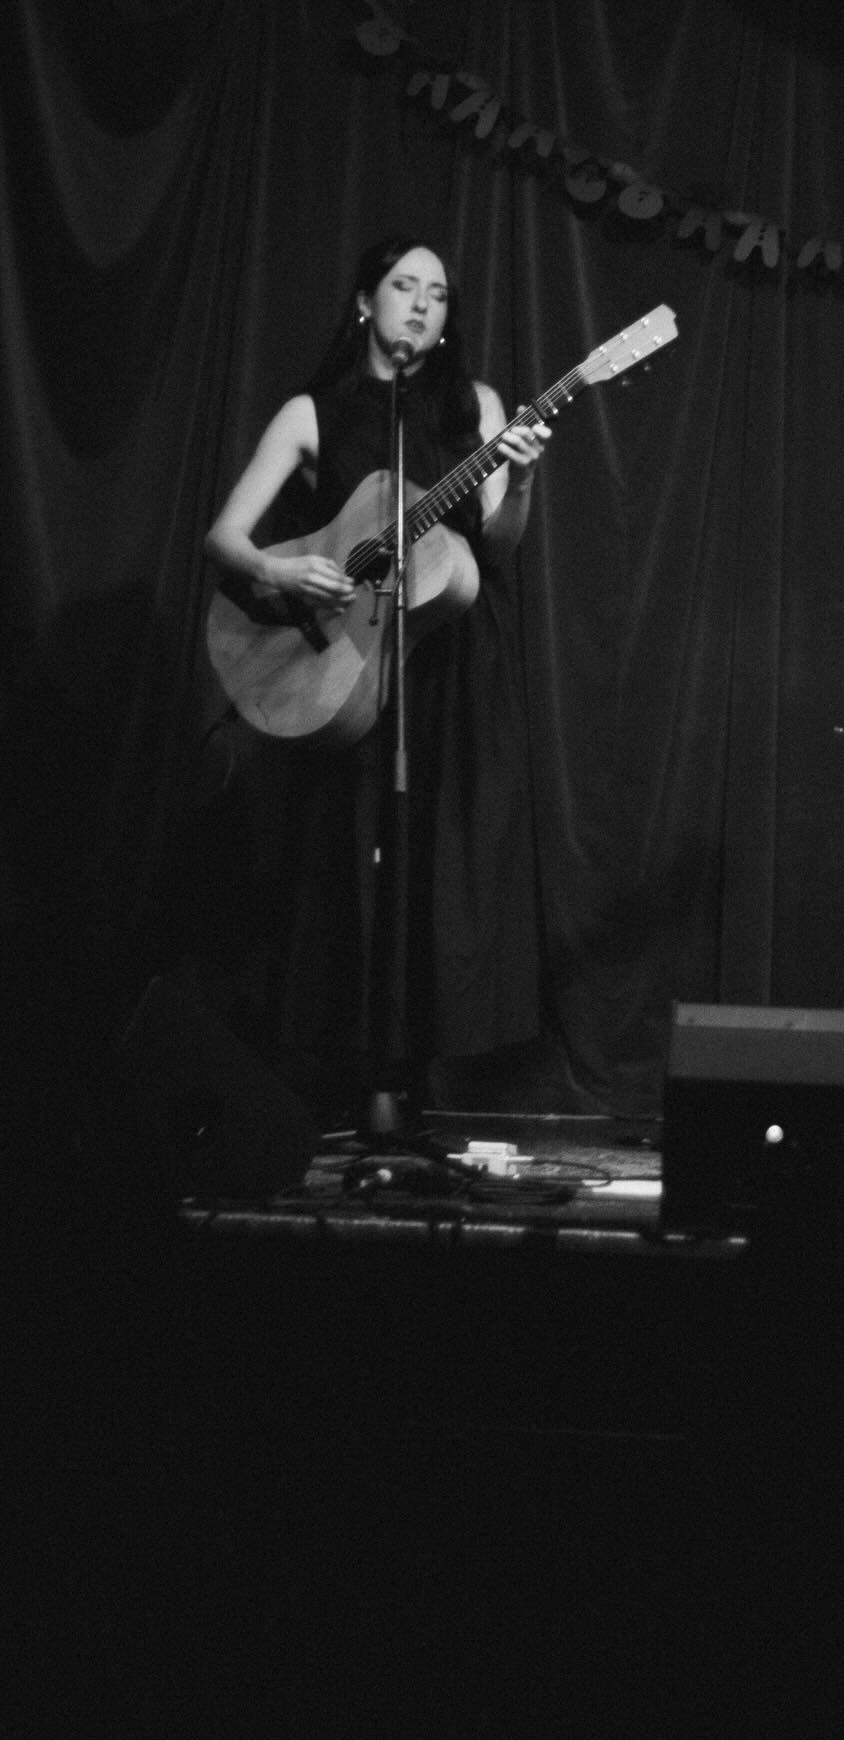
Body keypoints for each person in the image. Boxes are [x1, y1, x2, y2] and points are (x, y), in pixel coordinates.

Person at [203, 235, 551, 1119]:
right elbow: (225, 539)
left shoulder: (476, 405)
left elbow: (496, 550)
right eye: (405, 286)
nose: (423, 304)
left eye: (438, 292)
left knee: (439, 869)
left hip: (452, 672)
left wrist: (523, 479)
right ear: (367, 301)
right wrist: (282, 574)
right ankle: (346, 1074)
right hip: (346, 666)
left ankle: (415, 1080)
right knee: (345, 875)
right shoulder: (312, 414)